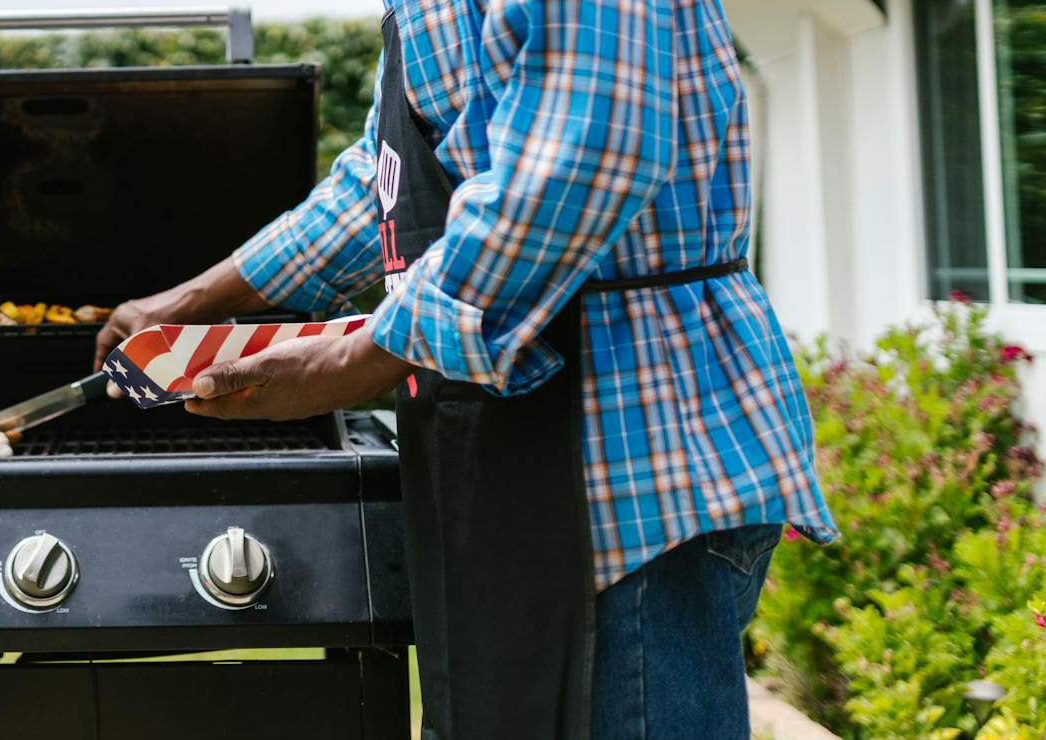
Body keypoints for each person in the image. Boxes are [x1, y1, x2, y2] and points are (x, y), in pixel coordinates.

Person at [92, 1, 840, 738]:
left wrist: (358, 359)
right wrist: (187, 302)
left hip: (631, 452)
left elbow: (588, 150)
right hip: (507, 445)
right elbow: (377, 186)